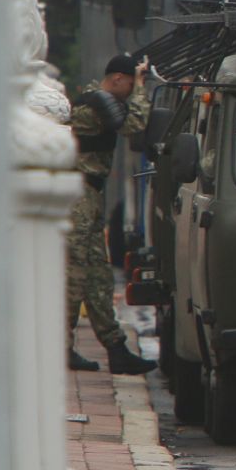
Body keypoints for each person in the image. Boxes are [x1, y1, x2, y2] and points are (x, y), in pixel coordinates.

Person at [66, 54, 156, 374]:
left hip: (89, 196)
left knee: (98, 278)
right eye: (131, 83)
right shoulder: (95, 104)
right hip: (77, 198)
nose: (133, 90)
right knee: (75, 277)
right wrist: (143, 90)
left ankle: (115, 348)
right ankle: (61, 347)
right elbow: (134, 125)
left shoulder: (100, 102)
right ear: (117, 79)